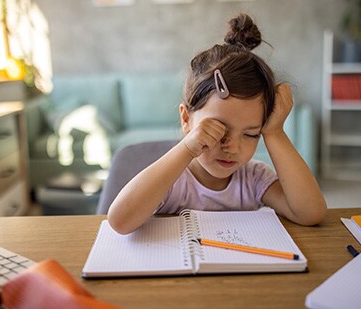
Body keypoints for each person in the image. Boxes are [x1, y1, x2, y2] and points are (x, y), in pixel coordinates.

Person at [108, 13, 327, 235]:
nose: (232, 147)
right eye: (217, 129)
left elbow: (310, 214)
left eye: (251, 134)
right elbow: (119, 222)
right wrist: (186, 148)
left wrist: (275, 132)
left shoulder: (253, 179)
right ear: (186, 119)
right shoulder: (172, 181)